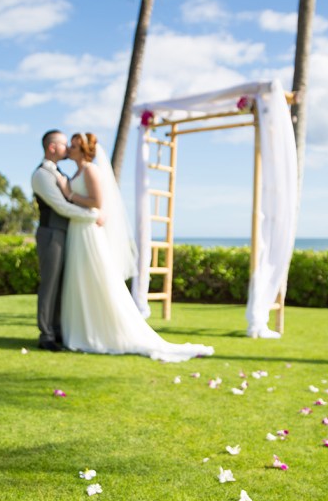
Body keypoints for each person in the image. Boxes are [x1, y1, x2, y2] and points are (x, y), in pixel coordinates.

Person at [54, 132, 214, 362]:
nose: (70, 148)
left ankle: (99, 332)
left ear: (84, 150)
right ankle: (82, 331)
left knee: (95, 279)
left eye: (75, 146)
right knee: (79, 281)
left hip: (88, 231)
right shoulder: (78, 172)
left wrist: (69, 193)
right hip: (77, 231)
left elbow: (97, 203)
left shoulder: (90, 170)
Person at [31, 130, 100, 351]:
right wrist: (93, 216)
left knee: (62, 285)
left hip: (65, 233)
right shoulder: (42, 175)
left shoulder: (59, 172)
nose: (67, 149)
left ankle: (58, 330)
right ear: (52, 147)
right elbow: (60, 206)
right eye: (63, 145)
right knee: (50, 284)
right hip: (51, 233)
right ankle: (47, 335)